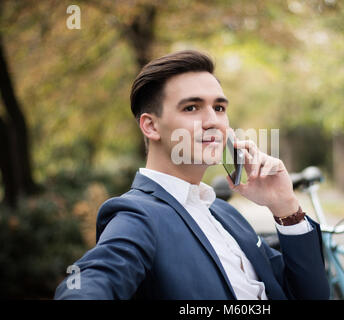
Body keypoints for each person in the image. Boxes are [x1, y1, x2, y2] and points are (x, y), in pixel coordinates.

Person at [54, 50, 330, 300]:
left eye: (219, 108)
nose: (213, 121)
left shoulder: (225, 213)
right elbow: (91, 283)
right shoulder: (137, 216)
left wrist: (284, 206)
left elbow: (309, 295)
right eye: (191, 108)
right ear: (150, 126)